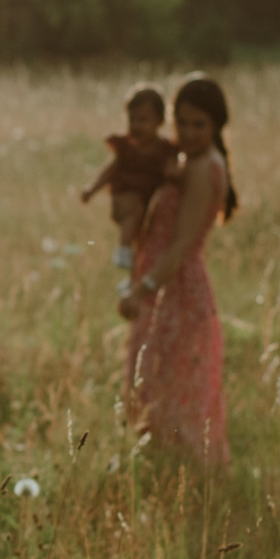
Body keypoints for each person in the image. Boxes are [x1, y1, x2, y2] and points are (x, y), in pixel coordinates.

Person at [119, 72, 237, 464]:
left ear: (217, 124)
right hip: (165, 285)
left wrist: (144, 287)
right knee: (159, 381)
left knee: (168, 385)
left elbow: (183, 244)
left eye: (198, 124)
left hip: (176, 289)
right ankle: (164, 469)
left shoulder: (205, 167)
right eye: (181, 122)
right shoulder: (190, 161)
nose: (187, 132)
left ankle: (177, 474)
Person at [79, 82, 180, 269]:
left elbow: (171, 170)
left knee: (148, 239)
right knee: (134, 209)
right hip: (128, 196)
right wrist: (92, 189)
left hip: (151, 203)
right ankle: (123, 249)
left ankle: (137, 271)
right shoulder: (126, 147)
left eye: (143, 120)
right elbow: (109, 170)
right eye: (132, 119)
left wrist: (175, 174)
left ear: (159, 121)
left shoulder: (165, 149)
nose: (136, 126)